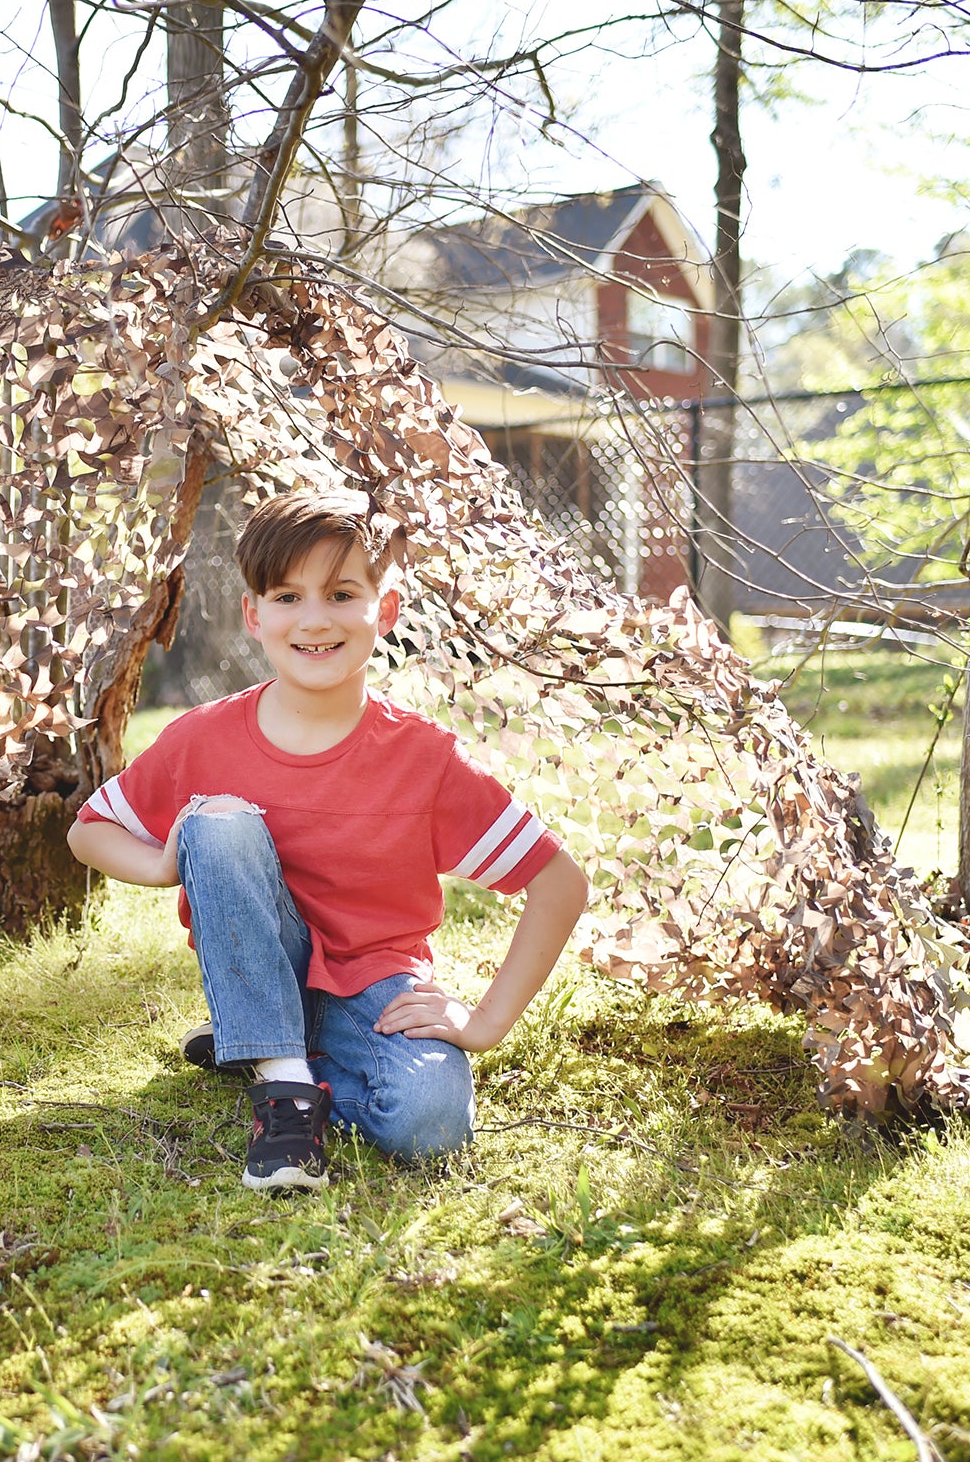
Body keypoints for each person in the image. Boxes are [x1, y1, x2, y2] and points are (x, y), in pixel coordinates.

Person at [67, 487, 589, 1192]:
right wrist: (173, 859)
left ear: (387, 609)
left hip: (370, 984)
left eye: (342, 593)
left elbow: (560, 883)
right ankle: (282, 1088)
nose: (314, 620)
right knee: (218, 822)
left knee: (430, 1123)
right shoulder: (204, 737)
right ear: (254, 614)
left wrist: (485, 1021)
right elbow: (89, 831)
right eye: (287, 596)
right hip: (261, 958)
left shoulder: (423, 760)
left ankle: (261, 1049)